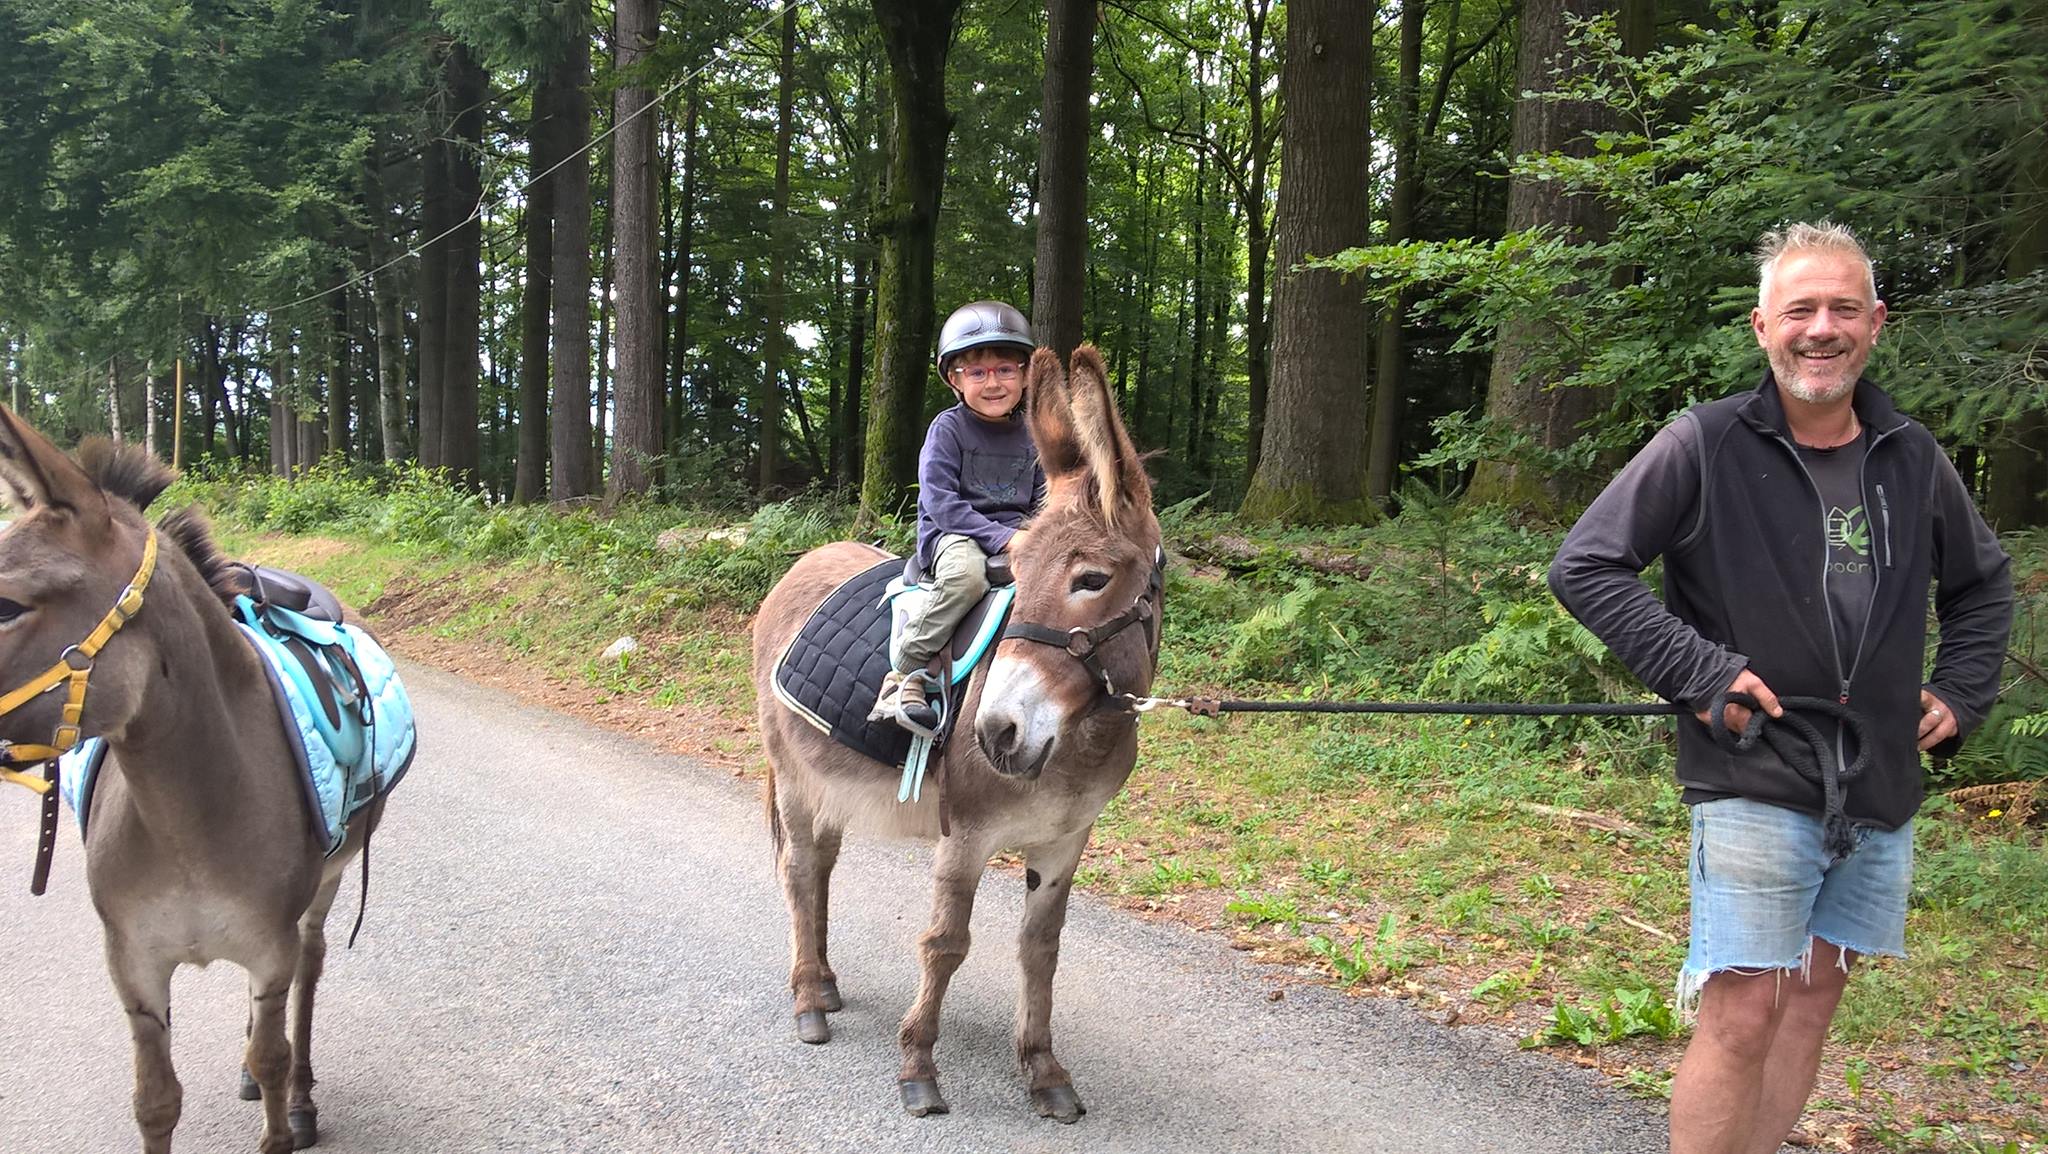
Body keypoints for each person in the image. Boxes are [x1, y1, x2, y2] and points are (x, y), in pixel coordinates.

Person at [1547, 222, 2012, 1154]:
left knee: (1812, 998)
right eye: (1800, 309)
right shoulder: (1706, 443)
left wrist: (1960, 694)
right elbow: (1586, 566)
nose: (1822, 327)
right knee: (1747, 1006)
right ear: (1763, 326)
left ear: (1876, 323)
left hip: (1877, 780)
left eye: (1844, 307)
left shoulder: (1912, 457)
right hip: (1753, 770)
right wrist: (1701, 670)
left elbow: (1983, 585)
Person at [870, 300, 1045, 732]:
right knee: (968, 577)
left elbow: (1044, 499)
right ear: (954, 378)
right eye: (978, 372)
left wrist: (1042, 535)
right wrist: (1003, 539)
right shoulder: (948, 430)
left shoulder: (1032, 435)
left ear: (1024, 375)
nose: (993, 383)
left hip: (1018, 534)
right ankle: (905, 674)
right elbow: (942, 503)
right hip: (955, 534)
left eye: (1005, 370)